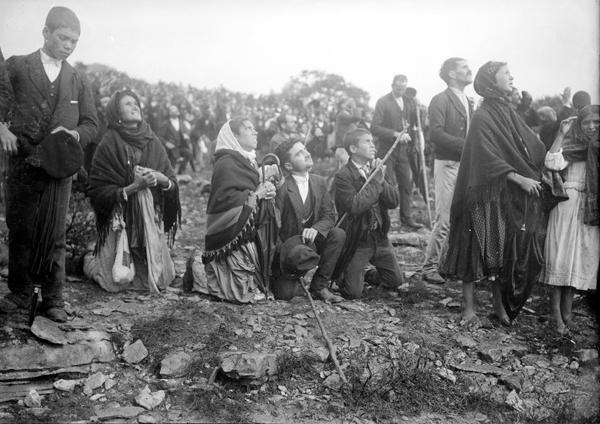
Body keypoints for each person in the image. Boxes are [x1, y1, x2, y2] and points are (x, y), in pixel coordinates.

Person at [0, 7, 98, 322]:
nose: (69, 46)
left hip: (60, 163)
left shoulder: (78, 78)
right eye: (63, 38)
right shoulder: (16, 65)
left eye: (74, 41)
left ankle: (53, 298)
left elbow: (92, 123)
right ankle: (19, 294)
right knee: (21, 227)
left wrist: (76, 133)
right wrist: (1, 127)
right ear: (45, 32)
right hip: (23, 161)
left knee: (55, 233)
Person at [439, 61, 547, 327]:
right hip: (480, 193)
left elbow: (524, 144)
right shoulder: (483, 115)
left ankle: (499, 306)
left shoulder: (505, 110)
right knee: (474, 247)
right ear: (491, 80)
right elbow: (485, 156)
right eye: (506, 74)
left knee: (498, 249)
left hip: (500, 194)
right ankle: (468, 307)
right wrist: (518, 176)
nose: (512, 77)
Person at [85, 90, 180, 293]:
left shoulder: (153, 141)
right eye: (128, 104)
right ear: (116, 112)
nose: (135, 106)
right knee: (111, 282)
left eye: (136, 103)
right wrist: (134, 187)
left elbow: (171, 182)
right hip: (119, 219)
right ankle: (87, 260)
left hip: (148, 220)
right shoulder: (108, 142)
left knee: (160, 280)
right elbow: (97, 191)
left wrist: (159, 178)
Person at [200, 117, 278, 303]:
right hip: (230, 233)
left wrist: (267, 186)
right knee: (237, 290)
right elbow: (227, 200)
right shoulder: (226, 162)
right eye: (249, 128)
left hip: (246, 233)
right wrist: (257, 194)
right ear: (234, 135)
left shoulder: (245, 159)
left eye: (254, 128)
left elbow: (247, 185)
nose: (255, 132)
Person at [543, 105, 599, 335]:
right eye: (586, 122)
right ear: (579, 124)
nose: (592, 126)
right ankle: (555, 314)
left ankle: (568, 312)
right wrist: (561, 134)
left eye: (596, 122)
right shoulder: (573, 145)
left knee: (577, 260)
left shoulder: (597, 148)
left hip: (591, 208)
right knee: (561, 258)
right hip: (569, 202)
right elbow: (551, 162)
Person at [332, 128, 404, 299]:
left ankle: (368, 273)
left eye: (373, 141)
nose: (373, 145)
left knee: (395, 281)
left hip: (379, 237)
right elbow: (356, 206)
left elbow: (393, 201)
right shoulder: (343, 176)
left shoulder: (376, 169)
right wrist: (377, 180)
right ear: (353, 149)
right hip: (358, 239)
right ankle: (346, 274)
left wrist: (380, 178)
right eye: (367, 142)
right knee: (353, 293)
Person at [272, 138, 346, 302]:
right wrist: (285, 258)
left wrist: (316, 228)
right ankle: (293, 279)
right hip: (289, 253)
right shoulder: (282, 188)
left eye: (305, 149)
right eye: (299, 153)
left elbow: (329, 215)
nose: (307, 154)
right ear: (289, 166)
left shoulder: (319, 182)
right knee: (285, 294)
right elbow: (273, 229)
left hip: (312, 245)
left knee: (337, 234)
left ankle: (320, 286)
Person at [421, 58, 473, 285]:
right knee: (444, 218)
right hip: (448, 164)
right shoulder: (440, 100)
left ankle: (449, 265)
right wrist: (467, 146)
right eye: (464, 67)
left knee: (461, 218)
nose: (469, 70)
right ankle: (429, 267)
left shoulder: (468, 101)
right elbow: (436, 134)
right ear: (452, 74)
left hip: (465, 165)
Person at [371, 74, 422, 230]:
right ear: (392, 85)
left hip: (404, 151)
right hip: (387, 150)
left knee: (406, 185)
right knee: (387, 185)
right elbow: (374, 127)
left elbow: (416, 121)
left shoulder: (409, 101)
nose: (401, 90)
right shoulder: (383, 102)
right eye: (398, 88)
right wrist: (395, 134)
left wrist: (419, 109)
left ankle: (406, 219)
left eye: (404, 88)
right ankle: (383, 220)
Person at [159, 104, 195, 174]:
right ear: (169, 113)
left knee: (189, 154)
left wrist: (186, 135)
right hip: (171, 148)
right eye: (171, 110)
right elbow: (160, 136)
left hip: (181, 147)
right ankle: (171, 174)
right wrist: (166, 143)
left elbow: (187, 132)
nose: (173, 111)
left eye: (175, 110)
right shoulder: (166, 124)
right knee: (172, 163)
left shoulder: (182, 123)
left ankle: (181, 170)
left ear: (178, 112)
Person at [333, 98, 361, 169]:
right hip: (344, 150)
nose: (349, 104)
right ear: (342, 105)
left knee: (343, 175)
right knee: (346, 174)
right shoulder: (342, 115)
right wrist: (354, 106)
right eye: (347, 103)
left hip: (345, 149)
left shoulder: (346, 115)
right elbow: (357, 117)